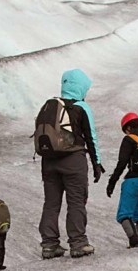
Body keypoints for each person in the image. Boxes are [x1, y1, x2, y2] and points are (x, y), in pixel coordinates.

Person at [36, 69, 103, 259]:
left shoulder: (51, 106)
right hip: (73, 161)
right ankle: (78, 243)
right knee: (75, 202)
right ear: (80, 87)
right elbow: (91, 137)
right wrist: (96, 163)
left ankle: (49, 245)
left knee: (51, 203)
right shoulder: (81, 107)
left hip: (49, 162)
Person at [106, 112, 138, 248]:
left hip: (133, 181)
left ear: (128, 128)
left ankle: (134, 241)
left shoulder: (129, 139)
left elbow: (122, 163)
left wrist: (112, 182)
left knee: (124, 214)